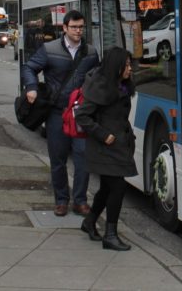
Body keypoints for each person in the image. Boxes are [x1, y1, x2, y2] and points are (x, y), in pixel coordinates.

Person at [20, 10, 99, 217]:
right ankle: (61, 200)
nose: (78, 31)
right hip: (57, 112)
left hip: (81, 114)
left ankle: (80, 201)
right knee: (58, 159)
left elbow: (97, 78)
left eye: (81, 27)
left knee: (83, 158)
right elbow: (29, 68)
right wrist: (31, 87)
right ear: (64, 28)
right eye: (74, 27)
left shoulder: (91, 52)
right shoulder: (49, 49)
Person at [75, 46, 137, 251]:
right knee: (118, 187)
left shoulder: (121, 85)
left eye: (130, 65)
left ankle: (90, 221)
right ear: (115, 66)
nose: (130, 69)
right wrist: (104, 135)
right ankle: (110, 235)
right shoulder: (100, 86)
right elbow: (82, 116)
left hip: (118, 145)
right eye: (126, 65)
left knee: (107, 188)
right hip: (104, 147)